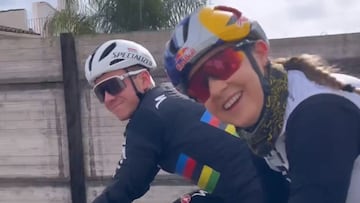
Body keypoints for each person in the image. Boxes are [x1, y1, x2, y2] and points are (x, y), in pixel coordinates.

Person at [163, 5, 360, 203]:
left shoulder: (318, 112)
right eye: (200, 87)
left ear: (260, 52)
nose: (216, 89)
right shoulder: (262, 125)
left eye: (223, 65)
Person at [84, 39, 288, 203]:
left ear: (144, 79)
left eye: (113, 86)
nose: (108, 99)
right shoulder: (169, 97)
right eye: (101, 93)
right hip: (274, 186)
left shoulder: (147, 118)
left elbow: (127, 184)